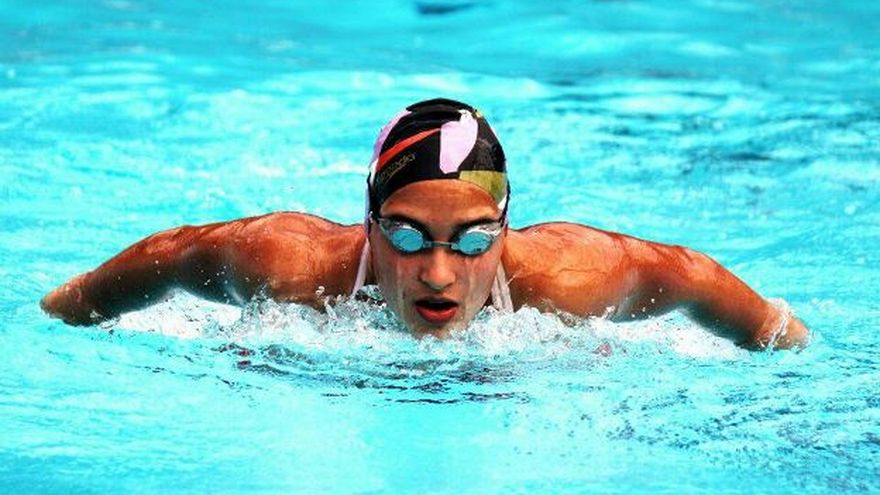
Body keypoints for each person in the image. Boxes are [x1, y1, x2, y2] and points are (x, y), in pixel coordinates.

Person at [40, 98, 809, 349]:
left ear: (505, 226)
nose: (439, 273)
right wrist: (64, 310)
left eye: (473, 239)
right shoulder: (288, 266)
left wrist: (791, 348)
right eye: (407, 235)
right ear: (368, 222)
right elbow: (173, 255)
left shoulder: (570, 279)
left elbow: (698, 279)